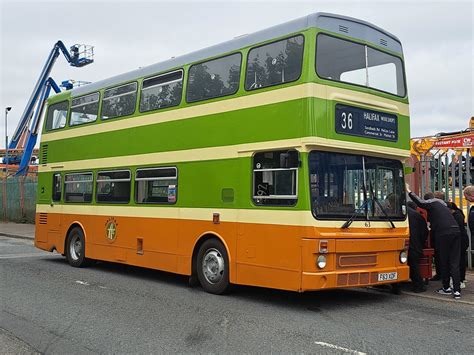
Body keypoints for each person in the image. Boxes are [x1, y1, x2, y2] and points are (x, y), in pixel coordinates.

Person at [406, 186, 461, 299]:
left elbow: (420, 202)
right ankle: (457, 290)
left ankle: (446, 288)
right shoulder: (444, 206)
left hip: (443, 233)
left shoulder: (434, 203)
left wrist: (409, 191)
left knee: (444, 261)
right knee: (454, 262)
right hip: (456, 231)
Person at [446, 202, 469, 289]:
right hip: (462, 240)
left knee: (460, 260)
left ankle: (461, 279)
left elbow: (458, 229)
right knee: (460, 260)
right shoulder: (459, 214)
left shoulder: (457, 216)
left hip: (460, 241)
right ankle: (460, 279)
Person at [407, 201, 428, 292]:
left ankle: (396, 285)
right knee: (414, 265)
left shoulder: (400, 214)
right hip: (415, 243)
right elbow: (424, 231)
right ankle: (418, 285)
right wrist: (421, 243)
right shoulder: (418, 216)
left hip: (403, 242)